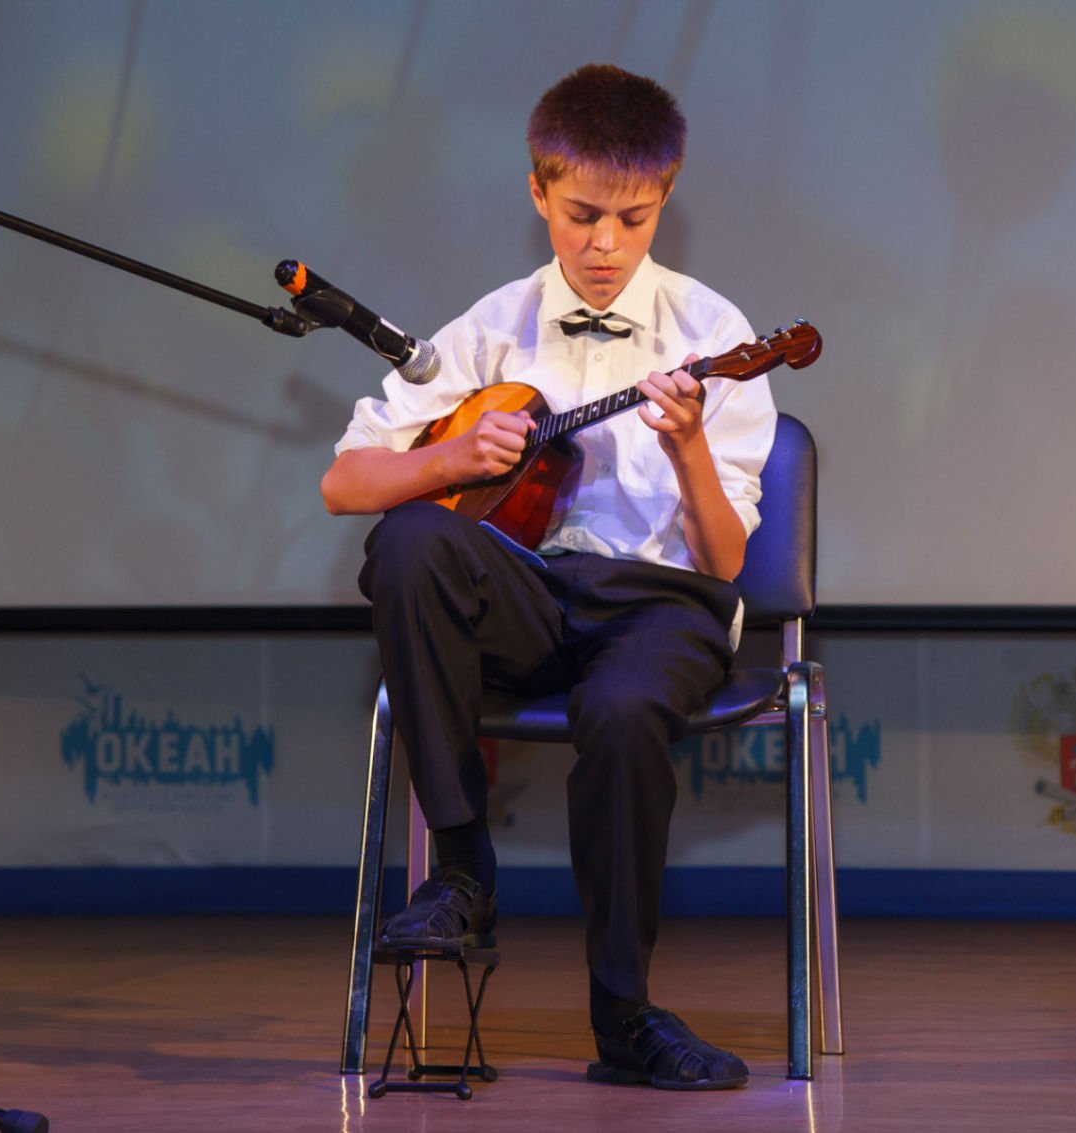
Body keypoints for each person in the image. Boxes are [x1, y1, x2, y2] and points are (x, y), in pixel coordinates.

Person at [320, 63, 776, 1091]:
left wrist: (689, 446)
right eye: (581, 216)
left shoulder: (716, 334)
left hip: (661, 605)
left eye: (633, 218)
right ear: (538, 192)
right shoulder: (491, 327)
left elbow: (724, 559)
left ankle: (625, 1016)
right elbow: (344, 482)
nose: (605, 244)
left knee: (620, 713)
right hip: (528, 599)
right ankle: (463, 870)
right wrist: (447, 459)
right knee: (409, 540)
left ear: (665, 197)